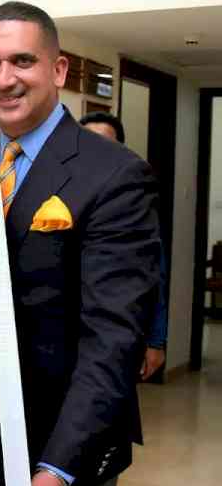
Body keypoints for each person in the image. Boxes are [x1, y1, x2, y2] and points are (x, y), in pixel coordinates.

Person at [0, 2, 161, 486]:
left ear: (58, 70)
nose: (4, 78)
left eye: (22, 60)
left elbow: (114, 337)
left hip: (70, 440)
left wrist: (57, 465)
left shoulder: (113, 174)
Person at [79, 111, 168, 379]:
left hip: (114, 338)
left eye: (105, 144)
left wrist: (155, 342)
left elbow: (155, 278)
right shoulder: (54, 194)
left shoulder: (131, 201)